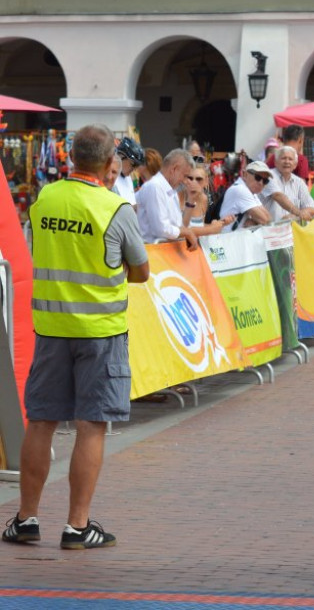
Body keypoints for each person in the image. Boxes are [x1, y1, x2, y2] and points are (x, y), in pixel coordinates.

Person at [3, 124, 149, 550]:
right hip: (101, 331)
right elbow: (140, 272)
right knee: (92, 424)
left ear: (70, 158)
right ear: (109, 164)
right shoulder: (115, 208)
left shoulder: (46, 198)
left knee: (42, 420)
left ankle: (26, 519)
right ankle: (77, 526)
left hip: (51, 328)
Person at [135, 148, 198, 250]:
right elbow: (161, 229)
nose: (185, 181)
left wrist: (186, 232)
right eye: (185, 176)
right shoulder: (155, 187)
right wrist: (186, 232)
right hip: (154, 255)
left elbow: (177, 226)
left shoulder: (170, 191)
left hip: (165, 255)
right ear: (174, 169)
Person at [263, 146, 314, 222]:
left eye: (290, 159)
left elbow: (311, 207)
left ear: (295, 165)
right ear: (276, 162)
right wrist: (299, 213)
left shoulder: (299, 182)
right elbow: (277, 196)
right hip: (269, 230)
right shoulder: (268, 175)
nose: (287, 162)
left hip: (290, 230)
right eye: (283, 158)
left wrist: (294, 216)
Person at [178, 166, 234, 237]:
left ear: (206, 181)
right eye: (190, 178)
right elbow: (176, 232)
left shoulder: (203, 199)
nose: (194, 183)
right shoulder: (176, 198)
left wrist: (221, 223)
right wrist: (212, 228)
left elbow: (199, 227)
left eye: (199, 179)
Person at [220, 161, 273, 228]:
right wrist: (257, 221)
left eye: (265, 181)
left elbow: (268, 218)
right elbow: (264, 220)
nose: (261, 183)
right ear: (245, 174)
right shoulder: (241, 189)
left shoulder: (251, 191)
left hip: (234, 236)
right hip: (228, 236)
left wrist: (254, 222)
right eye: (258, 177)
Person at [111, 137, 144, 206]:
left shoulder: (128, 178)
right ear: (121, 156)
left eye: (137, 166)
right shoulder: (109, 178)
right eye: (133, 164)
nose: (134, 169)